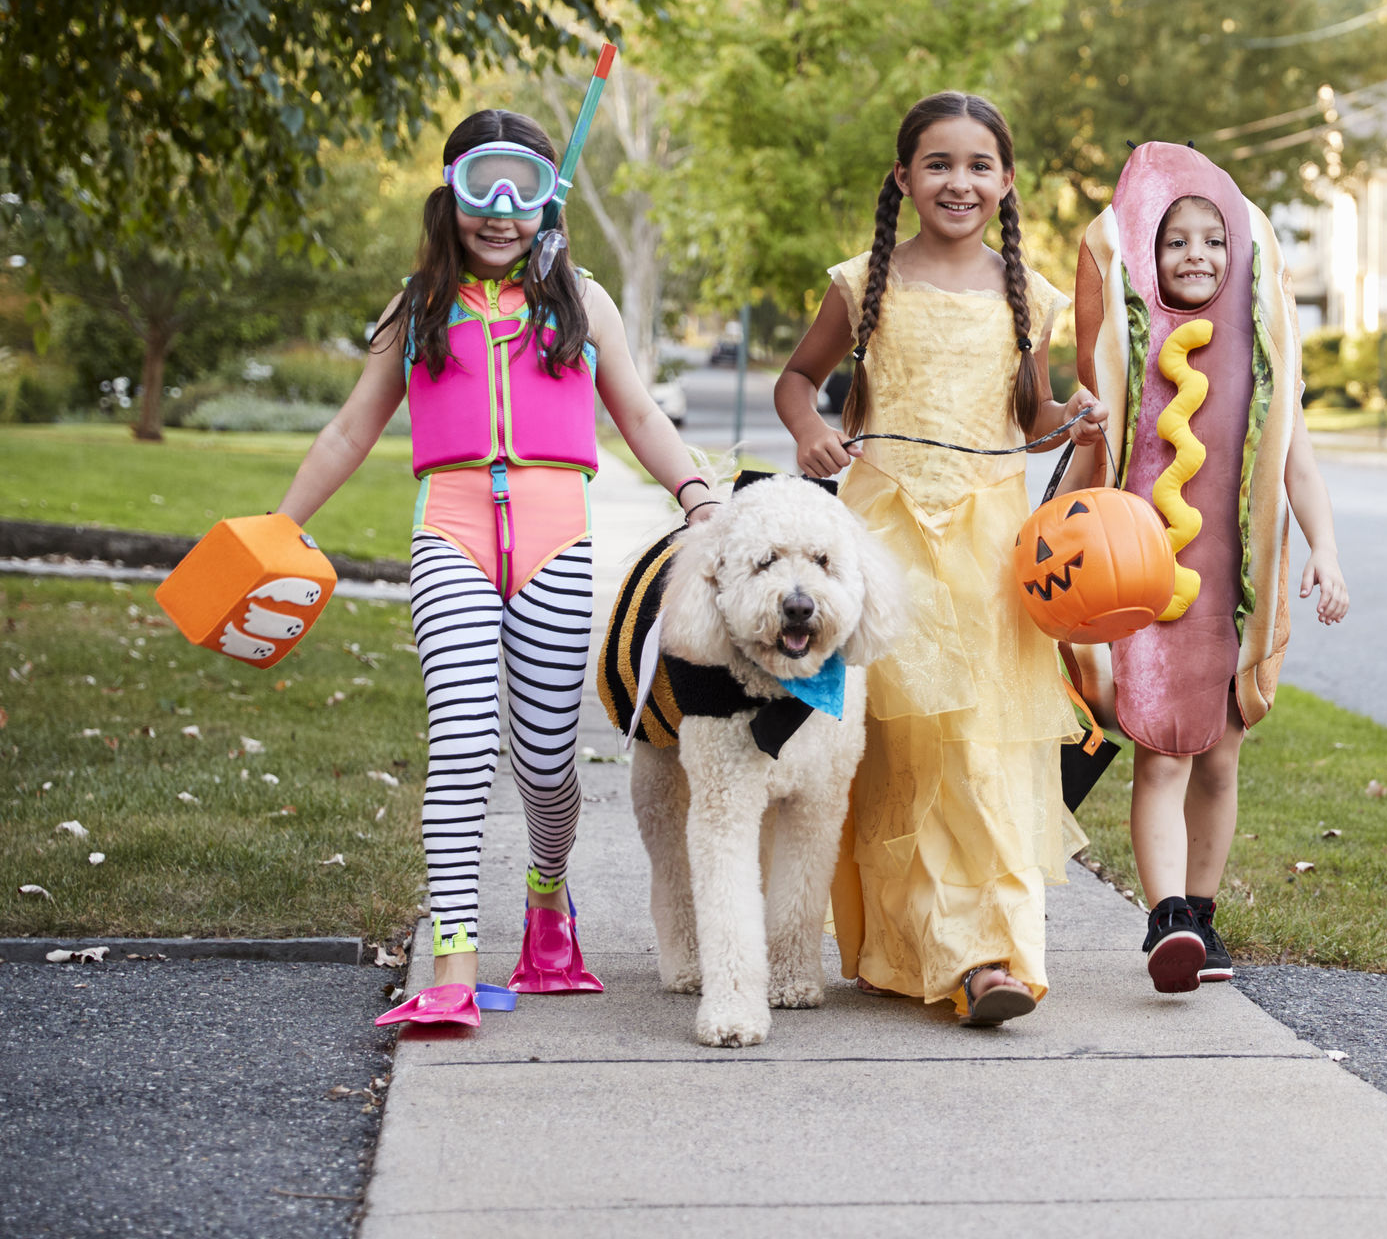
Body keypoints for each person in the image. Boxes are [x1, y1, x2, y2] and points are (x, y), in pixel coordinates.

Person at [277, 108, 722, 1029]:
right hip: (451, 535)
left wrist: (697, 494)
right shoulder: (416, 306)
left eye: (524, 187)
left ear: (550, 201)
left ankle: (548, 903)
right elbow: (352, 427)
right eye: (484, 184)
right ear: (451, 193)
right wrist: (281, 525)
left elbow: (638, 414)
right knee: (459, 740)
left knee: (547, 766)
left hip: (557, 542)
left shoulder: (582, 300)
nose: (503, 210)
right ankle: (450, 958)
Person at [774, 91, 1107, 1026]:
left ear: (1006, 183)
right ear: (903, 178)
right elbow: (798, 381)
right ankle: (907, 949)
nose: (959, 182)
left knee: (983, 749)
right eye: (938, 164)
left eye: (978, 167)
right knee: (905, 748)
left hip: (993, 553)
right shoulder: (861, 284)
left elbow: (1029, 417)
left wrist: (1072, 419)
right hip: (886, 545)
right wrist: (809, 433)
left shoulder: (1026, 295)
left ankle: (990, 956)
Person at [1068, 144, 1348, 994]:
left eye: (1214, 241)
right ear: (1147, 257)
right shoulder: (1129, 361)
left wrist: (1325, 551)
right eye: (1175, 241)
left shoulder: (1262, 364)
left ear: (1244, 256)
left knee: (1220, 758)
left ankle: (1202, 912)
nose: (1197, 256)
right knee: (1162, 752)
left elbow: (1297, 466)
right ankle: (1165, 920)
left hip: (1235, 595)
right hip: (1144, 586)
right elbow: (1086, 477)